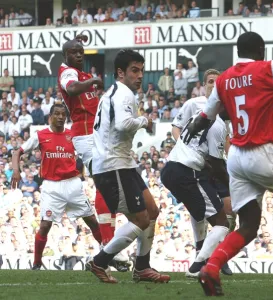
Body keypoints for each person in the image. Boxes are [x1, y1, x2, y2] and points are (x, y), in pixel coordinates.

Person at [184, 31, 273, 296]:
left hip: (237, 157)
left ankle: (211, 267)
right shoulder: (268, 69)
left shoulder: (224, 79)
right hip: (263, 150)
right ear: (260, 50)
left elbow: (205, 116)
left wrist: (192, 127)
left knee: (248, 226)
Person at [87, 49, 170, 284]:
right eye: (135, 70)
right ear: (120, 72)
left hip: (123, 163)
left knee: (152, 211)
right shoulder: (123, 93)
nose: (140, 75)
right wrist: (145, 120)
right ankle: (100, 262)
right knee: (141, 219)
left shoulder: (114, 93)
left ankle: (142, 267)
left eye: (141, 70)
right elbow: (124, 125)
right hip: (113, 166)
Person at [58, 34, 129, 271]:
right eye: (75, 52)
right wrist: (93, 82)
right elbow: (72, 87)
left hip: (96, 133)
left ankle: (109, 247)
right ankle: (109, 244)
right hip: (85, 135)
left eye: (81, 51)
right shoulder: (69, 72)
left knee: (109, 185)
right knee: (104, 183)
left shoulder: (83, 73)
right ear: (66, 55)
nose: (80, 54)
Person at [11, 104, 103, 270]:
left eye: (63, 114)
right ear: (50, 117)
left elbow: (90, 152)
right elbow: (17, 152)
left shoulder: (72, 136)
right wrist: (16, 171)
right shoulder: (41, 135)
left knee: (91, 220)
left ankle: (107, 254)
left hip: (73, 184)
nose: (61, 117)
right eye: (57, 114)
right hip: (51, 187)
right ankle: (37, 262)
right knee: (45, 225)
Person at [172, 68, 234, 277]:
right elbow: (177, 127)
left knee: (228, 210)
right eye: (210, 82)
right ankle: (201, 252)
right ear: (203, 84)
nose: (213, 85)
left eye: (217, 82)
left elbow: (226, 137)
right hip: (197, 165)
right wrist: (185, 149)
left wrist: (230, 162)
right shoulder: (193, 104)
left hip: (217, 164)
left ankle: (219, 255)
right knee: (199, 211)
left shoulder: (225, 108)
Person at [161, 110, 231, 279]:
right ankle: (198, 266)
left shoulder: (199, 115)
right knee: (222, 223)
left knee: (200, 214)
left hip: (169, 169)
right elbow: (216, 164)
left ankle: (202, 253)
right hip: (187, 172)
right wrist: (233, 185)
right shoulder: (218, 125)